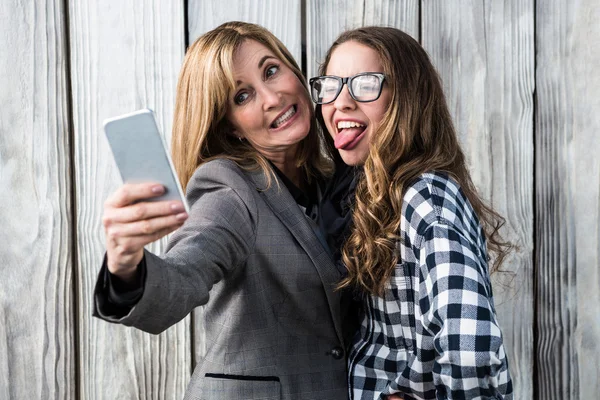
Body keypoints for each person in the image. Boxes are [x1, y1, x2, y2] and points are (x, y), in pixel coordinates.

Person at [94, 21, 351, 400]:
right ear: (229, 127)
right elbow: (187, 271)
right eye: (242, 96)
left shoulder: (331, 179)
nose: (272, 98)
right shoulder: (227, 188)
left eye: (271, 70)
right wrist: (126, 267)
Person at [310, 27, 513, 399]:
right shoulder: (361, 197)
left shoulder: (427, 197)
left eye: (365, 84)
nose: (341, 102)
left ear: (407, 99)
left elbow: (470, 347)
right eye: (332, 86)